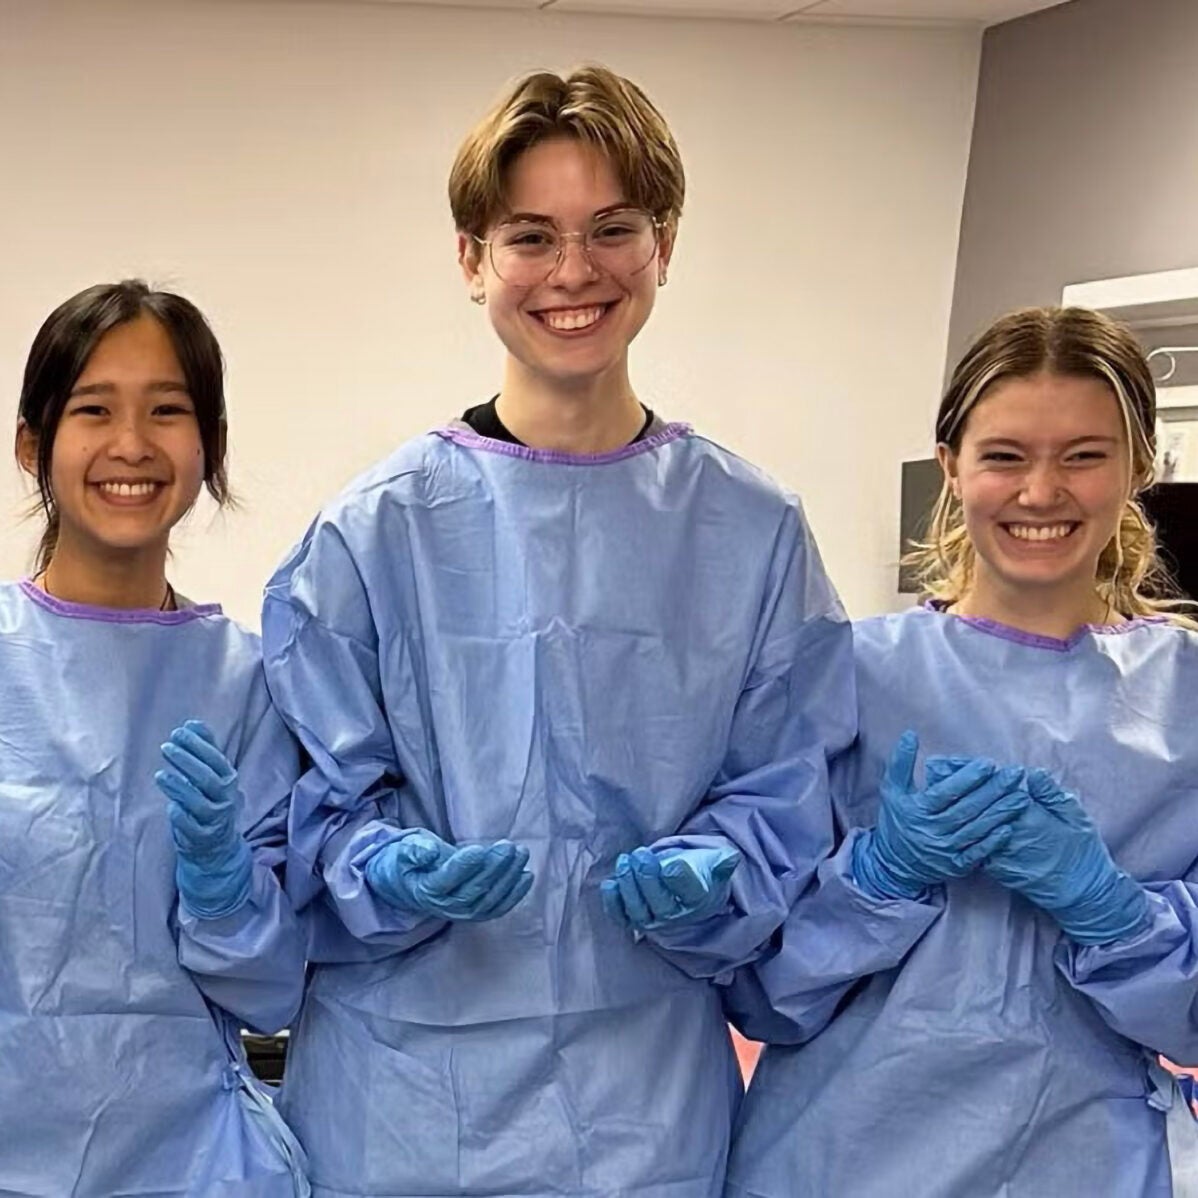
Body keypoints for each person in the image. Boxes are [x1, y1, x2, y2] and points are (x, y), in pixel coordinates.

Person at [261, 65, 862, 1198]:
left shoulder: (750, 527)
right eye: (531, 235)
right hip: (404, 1110)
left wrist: (720, 863)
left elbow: (791, 779)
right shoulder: (377, 530)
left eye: (612, 229)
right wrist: (387, 864)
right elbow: (309, 806)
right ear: (470, 256)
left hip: (646, 1117)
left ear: (665, 243)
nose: (574, 272)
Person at [725, 306, 1198, 1198]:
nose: (1041, 491)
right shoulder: (847, 673)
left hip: (1084, 1160)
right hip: (842, 1156)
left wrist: (1116, 914)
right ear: (951, 465)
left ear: (1140, 466)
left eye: (1085, 456)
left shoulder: (1186, 697)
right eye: (1006, 455)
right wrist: (877, 879)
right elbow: (759, 991)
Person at [1, 280, 308, 1195]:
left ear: (208, 448)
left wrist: (227, 891)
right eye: (94, 409)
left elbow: (272, 992)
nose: (131, 445)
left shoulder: (249, 684)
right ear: (32, 446)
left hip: (191, 1163)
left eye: (167, 411)